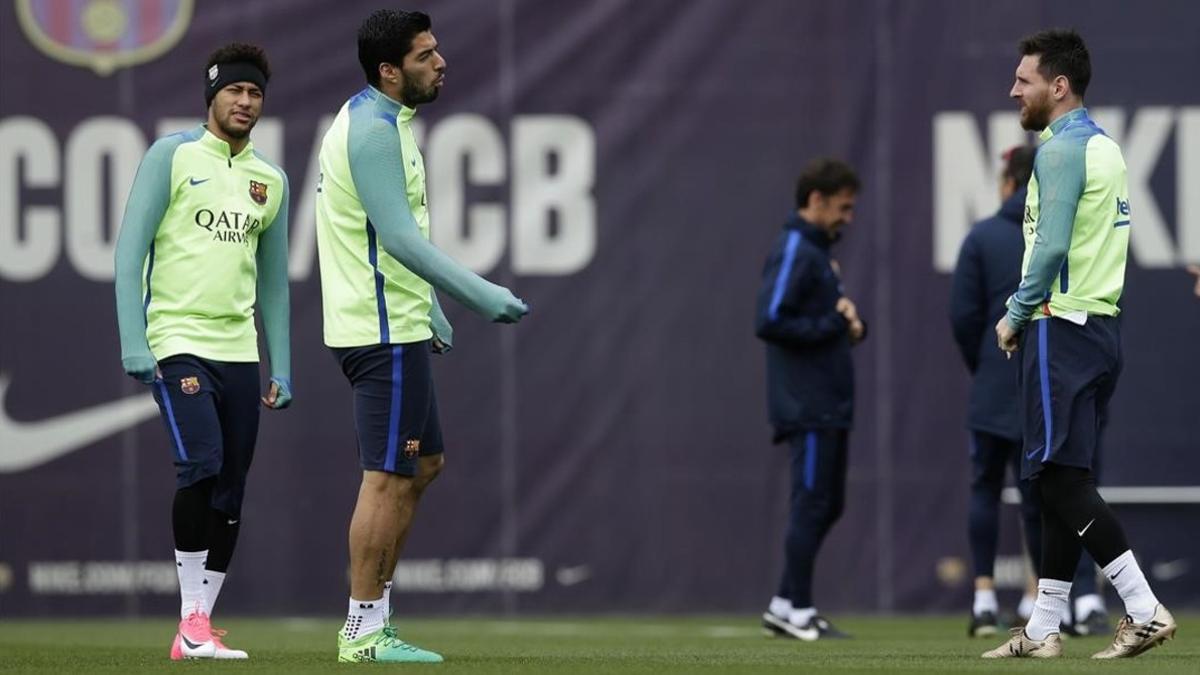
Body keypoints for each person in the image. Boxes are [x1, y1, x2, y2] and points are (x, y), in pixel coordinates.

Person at [315, 9, 528, 664]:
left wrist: (429, 301)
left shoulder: (381, 120)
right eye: (425, 55)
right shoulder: (375, 131)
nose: (440, 62)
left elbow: (385, 236)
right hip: (380, 331)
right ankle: (363, 632)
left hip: (395, 321)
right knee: (385, 476)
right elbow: (401, 238)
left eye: (437, 50)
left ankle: (374, 617)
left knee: (423, 464)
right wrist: (478, 293)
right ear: (389, 70)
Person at [984, 29, 1175, 659]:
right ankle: (1043, 630)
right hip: (1098, 329)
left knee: (1058, 483)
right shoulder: (1107, 148)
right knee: (1055, 477)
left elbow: (1051, 247)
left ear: (1058, 86)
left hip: (1059, 325)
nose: (1014, 89)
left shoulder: (1060, 152)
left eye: (1024, 79)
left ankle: (1143, 609)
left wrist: (1015, 313)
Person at [113, 43, 291, 661]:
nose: (245, 102)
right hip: (176, 339)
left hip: (239, 350)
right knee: (202, 466)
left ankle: (199, 628)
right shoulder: (173, 155)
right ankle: (191, 620)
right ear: (212, 94)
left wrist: (283, 365)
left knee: (232, 486)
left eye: (256, 94)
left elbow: (273, 281)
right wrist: (134, 339)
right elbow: (129, 252)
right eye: (235, 91)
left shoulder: (270, 180)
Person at [755, 159, 865, 642]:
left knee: (829, 503)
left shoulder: (819, 252)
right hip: (809, 402)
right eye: (843, 207)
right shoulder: (797, 246)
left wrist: (848, 326)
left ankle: (785, 601)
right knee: (811, 502)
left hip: (828, 400)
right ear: (816, 201)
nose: (848, 217)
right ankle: (796, 608)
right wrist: (833, 326)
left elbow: (824, 319)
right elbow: (770, 319)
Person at [951, 145, 1044, 637]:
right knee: (1037, 497)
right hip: (1039, 386)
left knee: (984, 489)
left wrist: (985, 364)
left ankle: (984, 598)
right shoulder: (1050, 238)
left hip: (992, 382)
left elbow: (963, 319)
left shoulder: (982, 237)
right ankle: (1039, 602)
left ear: (1008, 182)